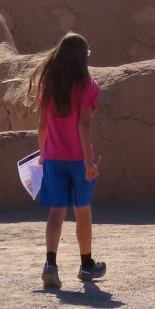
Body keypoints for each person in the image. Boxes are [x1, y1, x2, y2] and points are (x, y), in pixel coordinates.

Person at [28, 31, 105, 289]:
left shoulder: (49, 86)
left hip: (53, 158)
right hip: (78, 159)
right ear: (82, 58)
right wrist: (88, 160)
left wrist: (42, 154)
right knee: (82, 211)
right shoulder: (87, 86)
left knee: (56, 213)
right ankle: (86, 265)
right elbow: (84, 124)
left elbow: (41, 127)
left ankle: (50, 264)